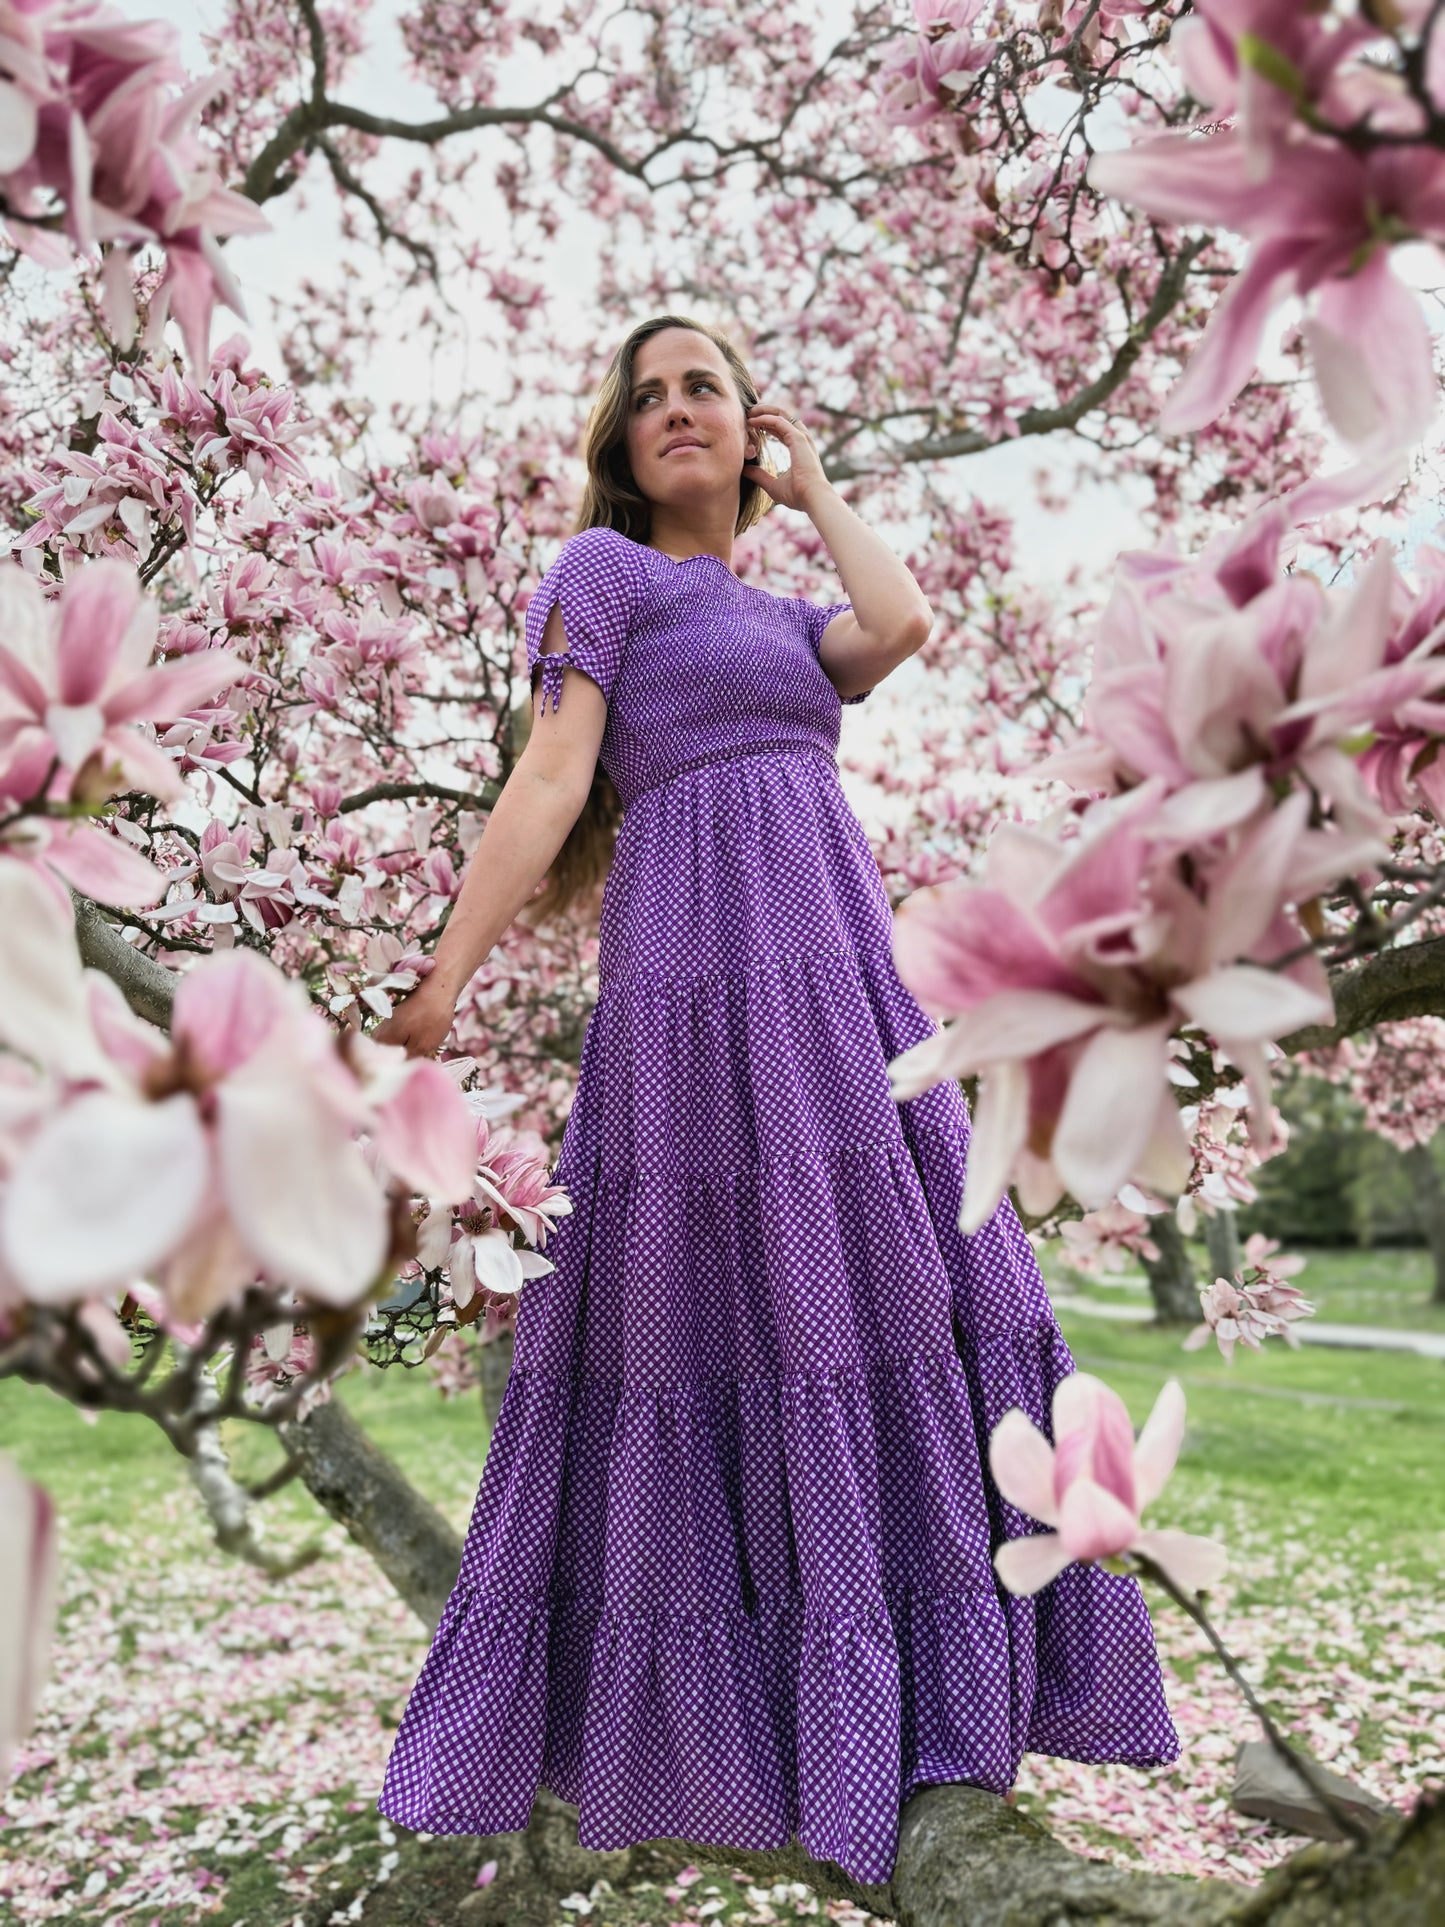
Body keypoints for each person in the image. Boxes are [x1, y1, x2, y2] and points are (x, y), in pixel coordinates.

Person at [373, 314, 1179, 1884]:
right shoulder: (603, 579)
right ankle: (754, 1731)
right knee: (716, 1327)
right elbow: (549, 780)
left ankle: (920, 1712)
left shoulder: (788, 609)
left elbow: (904, 622)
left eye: (708, 392)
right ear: (619, 442)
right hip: (690, 1002)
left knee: (897, 1302)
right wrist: (440, 982)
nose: (678, 410)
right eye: (651, 395)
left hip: (839, 1002)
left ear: (749, 431)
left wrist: (806, 487)